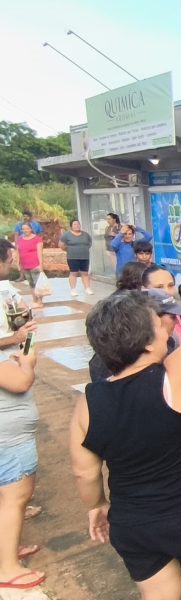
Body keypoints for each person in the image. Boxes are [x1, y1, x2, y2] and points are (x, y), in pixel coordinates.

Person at [69, 234, 181, 598]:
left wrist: (96, 505)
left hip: (135, 519)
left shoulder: (89, 402)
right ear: (148, 340)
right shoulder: (174, 375)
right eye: (158, 322)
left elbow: (84, 472)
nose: (166, 325)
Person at [0, 238, 44, 591]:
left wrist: (18, 337)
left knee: (9, 496)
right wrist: (27, 362)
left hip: (11, 430)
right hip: (8, 433)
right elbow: (18, 381)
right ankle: (7, 568)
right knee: (16, 495)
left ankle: (8, 548)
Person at [60, 219, 94, 296]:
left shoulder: (86, 235)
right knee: (73, 273)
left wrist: (83, 249)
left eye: (78, 224)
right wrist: (69, 250)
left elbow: (89, 243)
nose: (77, 226)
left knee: (85, 273)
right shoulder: (66, 235)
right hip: (72, 257)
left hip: (85, 257)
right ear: (71, 226)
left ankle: (87, 288)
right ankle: (73, 290)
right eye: (75, 224)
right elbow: (61, 245)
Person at [15, 223, 45, 308]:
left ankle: (40, 301)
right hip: (25, 265)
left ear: (31, 229)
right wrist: (18, 263)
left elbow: (40, 253)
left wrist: (41, 265)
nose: (25, 230)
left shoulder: (37, 239)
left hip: (35, 265)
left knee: (38, 284)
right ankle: (34, 300)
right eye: (23, 229)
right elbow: (18, 252)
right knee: (31, 284)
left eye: (27, 228)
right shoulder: (20, 239)